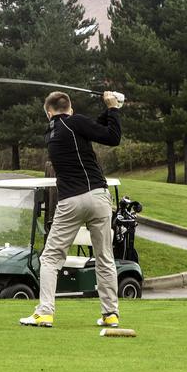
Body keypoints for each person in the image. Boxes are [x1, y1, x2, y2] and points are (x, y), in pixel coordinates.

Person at [20, 90, 122, 328]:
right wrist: (114, 109)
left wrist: (109, 110)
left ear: (49, 113)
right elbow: (112, 136)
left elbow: (90, 127)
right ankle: (111, 314)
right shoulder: (76, 123)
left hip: (70, 201)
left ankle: (45, 312)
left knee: (51, 258)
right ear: (71, 109)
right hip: (98, 196)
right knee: (104, 257)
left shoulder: (51, 132)